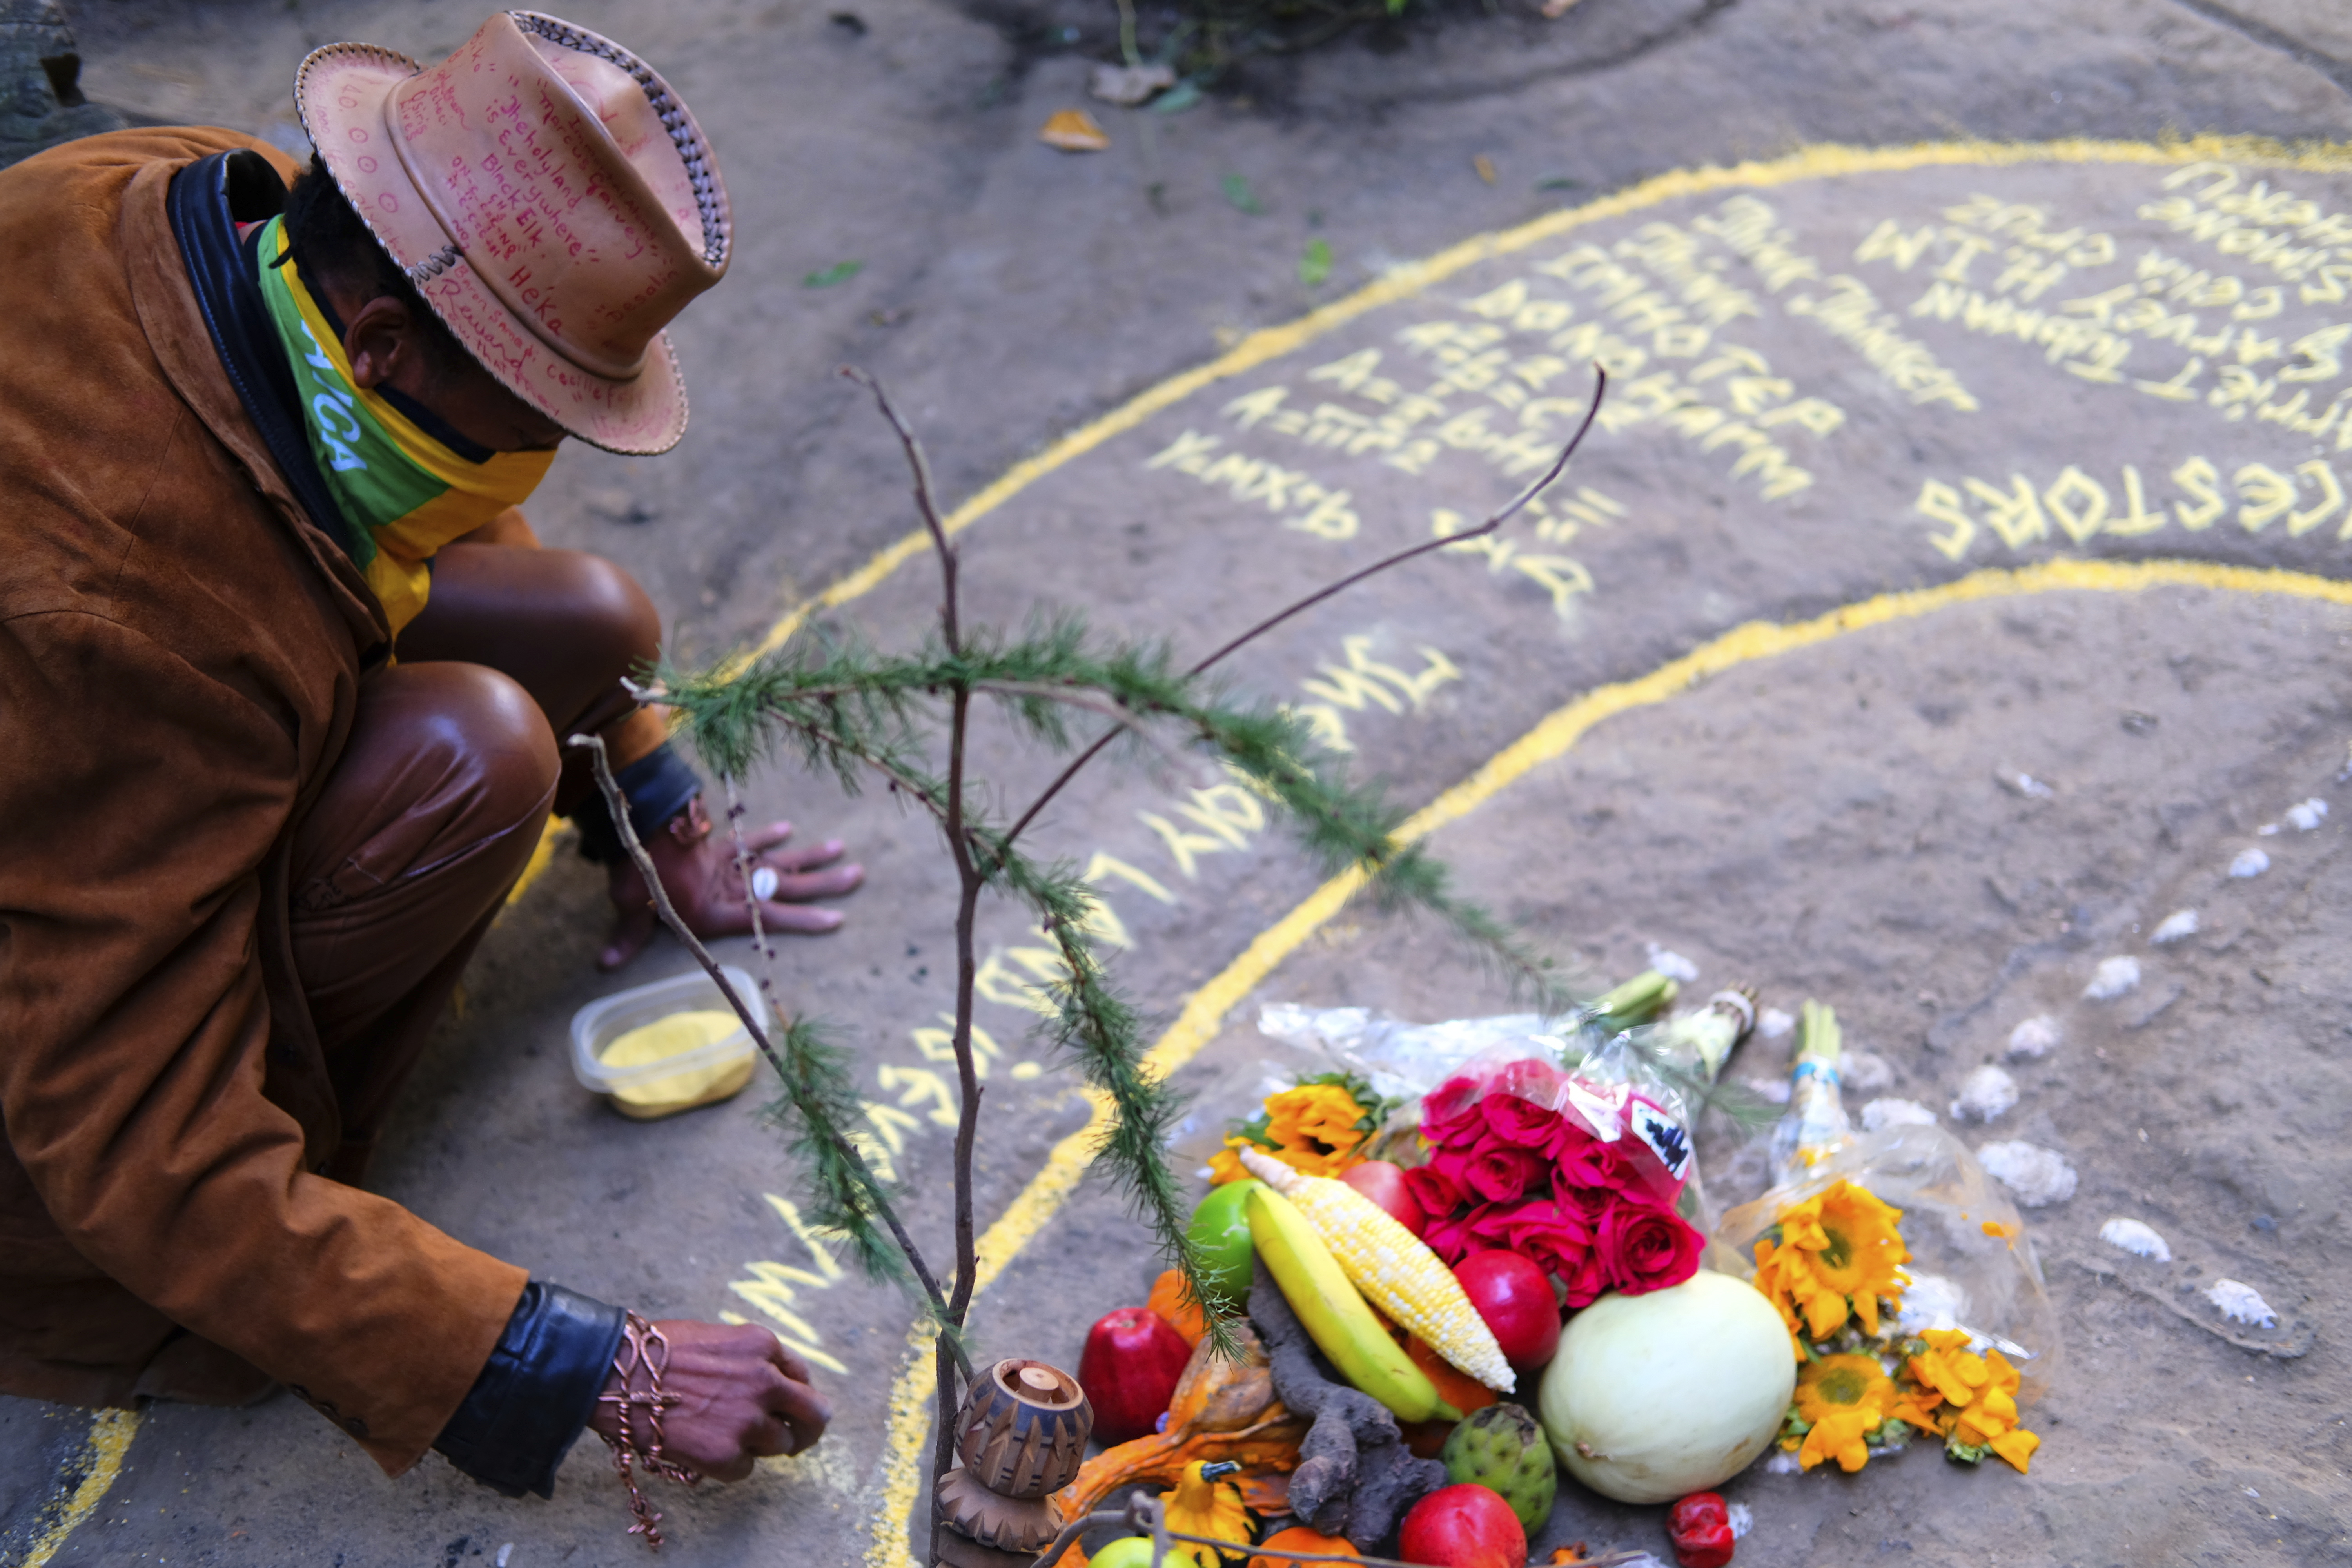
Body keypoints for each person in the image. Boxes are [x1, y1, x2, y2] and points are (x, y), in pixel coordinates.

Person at [0, 11, 853, 1510]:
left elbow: (415, 497)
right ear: (382, 348)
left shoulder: (234, 208)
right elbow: (130, 1124)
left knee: (584, 612)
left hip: (107, 729)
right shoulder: (118, 620)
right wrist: (560, 1359)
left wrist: (657, 808)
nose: (537, 464)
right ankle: (224, 1271)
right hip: (51, 1051)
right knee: (472, 755)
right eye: (530, 417)